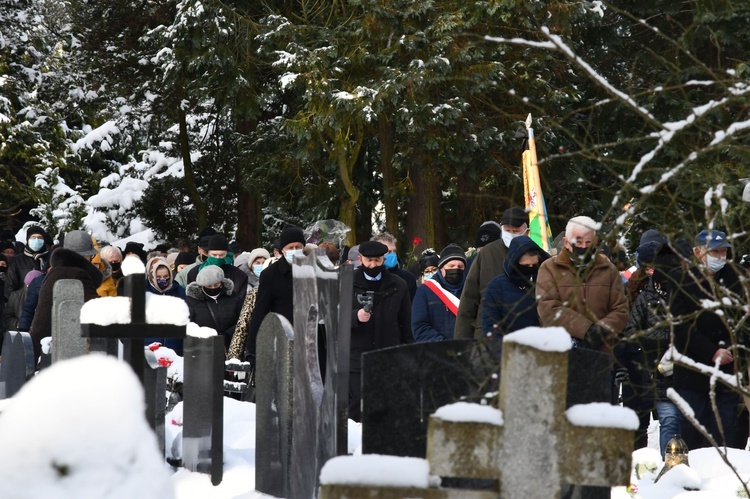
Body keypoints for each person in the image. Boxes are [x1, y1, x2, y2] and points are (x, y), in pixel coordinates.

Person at [668, 229, 746, 450]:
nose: (719, 256)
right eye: (714, 251)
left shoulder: (734, 277)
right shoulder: (679, 278)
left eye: (723, 251)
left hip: (727, 371)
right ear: (697, 252)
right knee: (692, 433)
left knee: (726, 435)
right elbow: (680, 325)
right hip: (694, 371)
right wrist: (712, 351)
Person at [619, 243, 683, 456]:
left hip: (672, 373)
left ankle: (670, 465)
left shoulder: (683, 294)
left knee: (670, 421)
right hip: (641, 368)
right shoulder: (644, 296)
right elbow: (630, 331)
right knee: (638, 424)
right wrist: (659, 340)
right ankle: (640, 465)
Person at [536, 215, 628, 358]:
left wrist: (600, 331)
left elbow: (620, 308)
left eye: (588, 242)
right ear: (566, 242)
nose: (584, 247)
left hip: (602, 353)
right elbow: (548, 308)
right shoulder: (549, 268)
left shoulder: (608, 269)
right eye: (578, 242)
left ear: (595, 242)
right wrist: (586, 329)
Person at [349, 240, 412, 421]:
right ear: (360, 259)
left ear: (383, 260)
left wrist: (408, 353)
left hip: (388, 354)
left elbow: (405, 322)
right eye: (368, 261)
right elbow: (334, 315)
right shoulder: (346, 282)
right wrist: (355, 317)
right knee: (358, 406)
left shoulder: (398, 285)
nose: (372, 265)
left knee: (386, 407)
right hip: (357, 356)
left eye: (377, 261)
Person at [455, 206, 528, 339]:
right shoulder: (486, 254)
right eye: (507, 230)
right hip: (487, 334)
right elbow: (469, 299)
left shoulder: (536, 256)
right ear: (501, 229)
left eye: (516, 231)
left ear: (526, 231)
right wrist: (461, 342)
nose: (511, 234)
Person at [29, 243, 103, 361]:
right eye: (91, 256)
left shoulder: (55, 272)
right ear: (85, 257)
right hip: (64, 343)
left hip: (44, 338)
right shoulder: (79, 274)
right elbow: (93, 306)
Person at [244, 225, 306, 363]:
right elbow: (260, 311)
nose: (295, 250)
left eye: (298, 246)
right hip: (284, 338)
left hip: (310, 339)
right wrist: (252, 349)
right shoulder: (271, 274)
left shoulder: (312, 269)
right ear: (282, 250)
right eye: (290, 247)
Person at [482, 236, 549, 337]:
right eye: (525, 266)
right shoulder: (496, 287)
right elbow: (491, 328)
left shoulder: (547, 282)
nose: (530, 269)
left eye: (534, 265)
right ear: (514, 263)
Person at [412, 244, 466, 342]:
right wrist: (444, 345)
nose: (456, 269)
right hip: (437, 352)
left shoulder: (470, 290)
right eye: (451, 266)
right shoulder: (425, 291)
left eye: (460, 266)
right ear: (441, 268)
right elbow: (420, 327)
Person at [186, 266, 243, 351]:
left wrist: (228, 334)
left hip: (230, 345)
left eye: (216, 285)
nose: (213, 288)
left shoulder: (233, 297)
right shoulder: (191, 301)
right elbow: (189, 325)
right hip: (203, 347)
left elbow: (242, 319)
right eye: (209, 286)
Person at [186, 234, 248, 300]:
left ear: (227, 254)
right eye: (214, 255)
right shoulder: (194, 273)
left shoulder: (239, 275)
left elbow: (240, 300)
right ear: (208, 253)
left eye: (221, 255)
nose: (218, 258)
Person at [4, 225, 50, 304]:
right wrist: (20, 303)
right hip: (23, 306)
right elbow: (9, 288)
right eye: (33, 237)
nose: (36, 240)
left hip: (46, 306)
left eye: (39, 238)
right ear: (27, 240)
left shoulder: (51, 259)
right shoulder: (17, 261)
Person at [371, 232, 418, 299]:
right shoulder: (370, 276)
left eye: (394, 251)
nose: (393, 254)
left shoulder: (408, 278)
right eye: (389, 252)